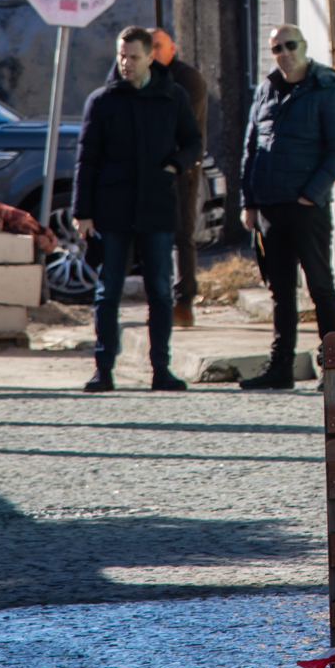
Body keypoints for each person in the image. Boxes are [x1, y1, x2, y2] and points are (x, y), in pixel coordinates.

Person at [74, 25, 203, 393]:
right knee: (108, 291)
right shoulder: (102, 100)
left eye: (133, 57)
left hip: (157, 206)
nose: (126, 63)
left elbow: (193, 142)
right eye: (121, 56)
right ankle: (103, 369)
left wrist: (174, 165)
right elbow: (86, 158)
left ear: (150, 58)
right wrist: (82, 212)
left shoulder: (172, 96)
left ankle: (161, 368)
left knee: (160, 291)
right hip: (113, 209)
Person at [239, 24, 335, 390]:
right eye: (277, 48)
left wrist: (309, 195)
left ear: (303, 47)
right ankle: (280, 367)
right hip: (270, 208)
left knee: (320, 286)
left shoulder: (327, 88)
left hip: (307, 208)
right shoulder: (266, 89)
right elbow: (251, 150)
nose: (284, 53)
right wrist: (249, 202)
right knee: (281, 291)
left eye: (290, 46)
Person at [151, 28, 212, 326]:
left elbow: (180, 127)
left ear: (172, 49)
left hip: (181, 167)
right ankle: (159, 299)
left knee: (181, 233)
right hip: (146, 169)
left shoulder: (187, 79)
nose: (152, 53)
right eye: (147, 47)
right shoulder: (130, 74)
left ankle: (183, 301)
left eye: (157, 46)